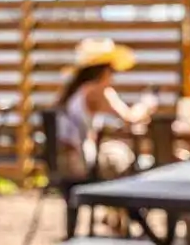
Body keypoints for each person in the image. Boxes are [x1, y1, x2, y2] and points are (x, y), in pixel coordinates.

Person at [56, 38, 153, 181]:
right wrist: (146, 104)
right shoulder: (98, 91)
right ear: (104, 70)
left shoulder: (76, 91)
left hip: (62, 160)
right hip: (79, 162)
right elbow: (130, 118)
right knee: (120, 157)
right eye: (112, 71)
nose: (113, 77)